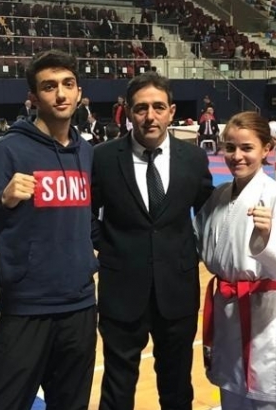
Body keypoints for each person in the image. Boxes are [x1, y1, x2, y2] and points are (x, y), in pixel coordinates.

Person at [0, 50, 97, 410]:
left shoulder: (87, 153)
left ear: (79, 93)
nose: (61, 94)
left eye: (68, 84)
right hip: (24, 309)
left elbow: (88, 223)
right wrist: (2, 200)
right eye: (49, 87)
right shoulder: (6, 151)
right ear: (33, 98)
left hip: (80, 308)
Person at [91, 72, 214, 410]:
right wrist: (107, 243)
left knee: (177, 387)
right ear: (129, 113)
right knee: (117, 388)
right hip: (121, 289)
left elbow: (210, 213)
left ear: (171, 112)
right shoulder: (102, 158)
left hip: (177, 289)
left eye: (158, 107)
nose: (150, 116)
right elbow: (86, 211)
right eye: (141, 108)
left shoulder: (194, 159)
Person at [194, 111, 276, 410]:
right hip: (226, 312)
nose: (237, 156)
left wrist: (268, 236)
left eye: (247, 148)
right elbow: (197, 243)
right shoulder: (219, 196)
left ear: (266, 149)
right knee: (232, 394)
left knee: (270, 395)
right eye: (230, 147)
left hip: (264, 317)